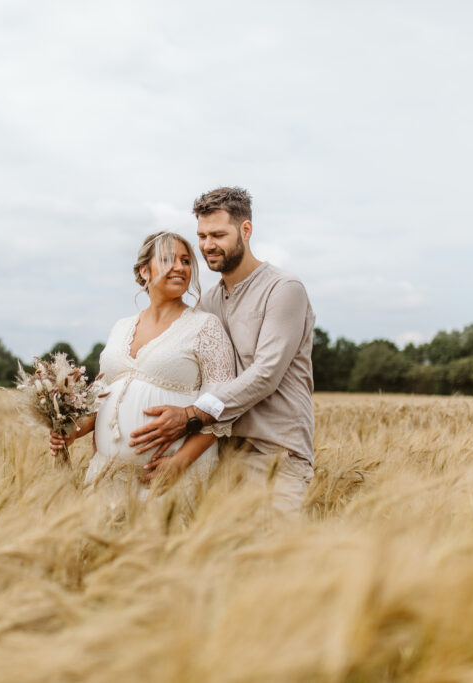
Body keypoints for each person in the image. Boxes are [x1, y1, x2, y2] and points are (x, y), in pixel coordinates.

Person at [128, 187, 316, 513]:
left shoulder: (283, 289)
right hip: (220, 452)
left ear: (246, 230)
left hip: (276, 452)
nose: (207, 246)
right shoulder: (209, 302)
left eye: (218, 234)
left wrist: (190, 415)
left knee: (279, 556)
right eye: (202, 236)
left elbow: (265, 374)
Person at [49, 231, 235, 505]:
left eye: (185, 261)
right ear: (143, 270)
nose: (180, 267)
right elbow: (102, 397)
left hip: (171, 478)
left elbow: (220, 406)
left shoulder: (205, 326)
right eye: (168, 259)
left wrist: (178, 464)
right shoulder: (121, 327)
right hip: (107, 477)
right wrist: (71, 431)